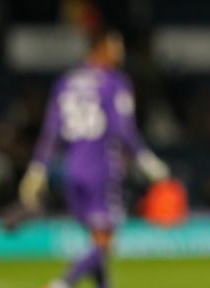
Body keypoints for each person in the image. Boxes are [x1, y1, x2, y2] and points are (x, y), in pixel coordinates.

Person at [18, 28, 169, 288]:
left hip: (72, 169)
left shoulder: (65, 82)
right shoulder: (115, 82)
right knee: (104, 242)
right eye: (115, 46)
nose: (120, 52)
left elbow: (52, 129)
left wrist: (37, 167)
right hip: (102, 167)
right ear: (98, 48)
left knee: (97, 240)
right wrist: (146, 159)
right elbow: (123, 128)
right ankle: (62, 284)